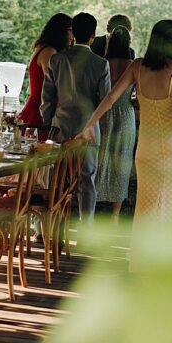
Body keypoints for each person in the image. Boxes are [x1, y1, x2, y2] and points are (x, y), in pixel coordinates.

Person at [81, 20, 172, 247]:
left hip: (146, 151)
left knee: (147, 206)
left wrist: (90, 124)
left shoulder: (137, 67)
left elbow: (109, 98)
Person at [40, 12, 111, 224]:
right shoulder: (101, 64)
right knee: (86, 180)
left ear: (73, 32)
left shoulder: (57, 59)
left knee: (57, 179)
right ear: (93, 35)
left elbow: (46, 99)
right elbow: (104, 103)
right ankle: (85, 229)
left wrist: (47, 126)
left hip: (60, 127)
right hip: (88, 130)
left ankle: (54, 225)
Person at [94, 26, 137, 223]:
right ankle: (115, 215)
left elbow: (99, 92)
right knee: (122, 161)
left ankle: (92, 204)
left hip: (105, 114)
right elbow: (138, 97)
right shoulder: (132, 64)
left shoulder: (103, 63)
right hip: (126, 114)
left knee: (100, 159)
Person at [19, 13, 73, 129]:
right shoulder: (49, 51)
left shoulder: (43, 48)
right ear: (61, 31)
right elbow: (54, 83)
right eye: (71, 31)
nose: (72, 36)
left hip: (39, 106)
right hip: (40, 110)